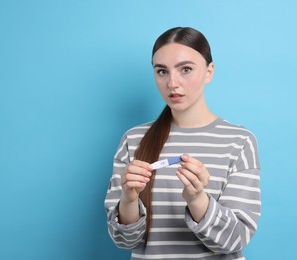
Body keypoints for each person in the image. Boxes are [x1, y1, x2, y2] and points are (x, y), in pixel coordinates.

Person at [104, 27, 261, 260]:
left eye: (185, 69)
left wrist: (198, 199)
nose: (172, 83)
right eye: (161, 71)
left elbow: (235, 240)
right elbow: (124, 240)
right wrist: (128, 199)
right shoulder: (133, 140)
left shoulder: (239, 141)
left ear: (209, 72)